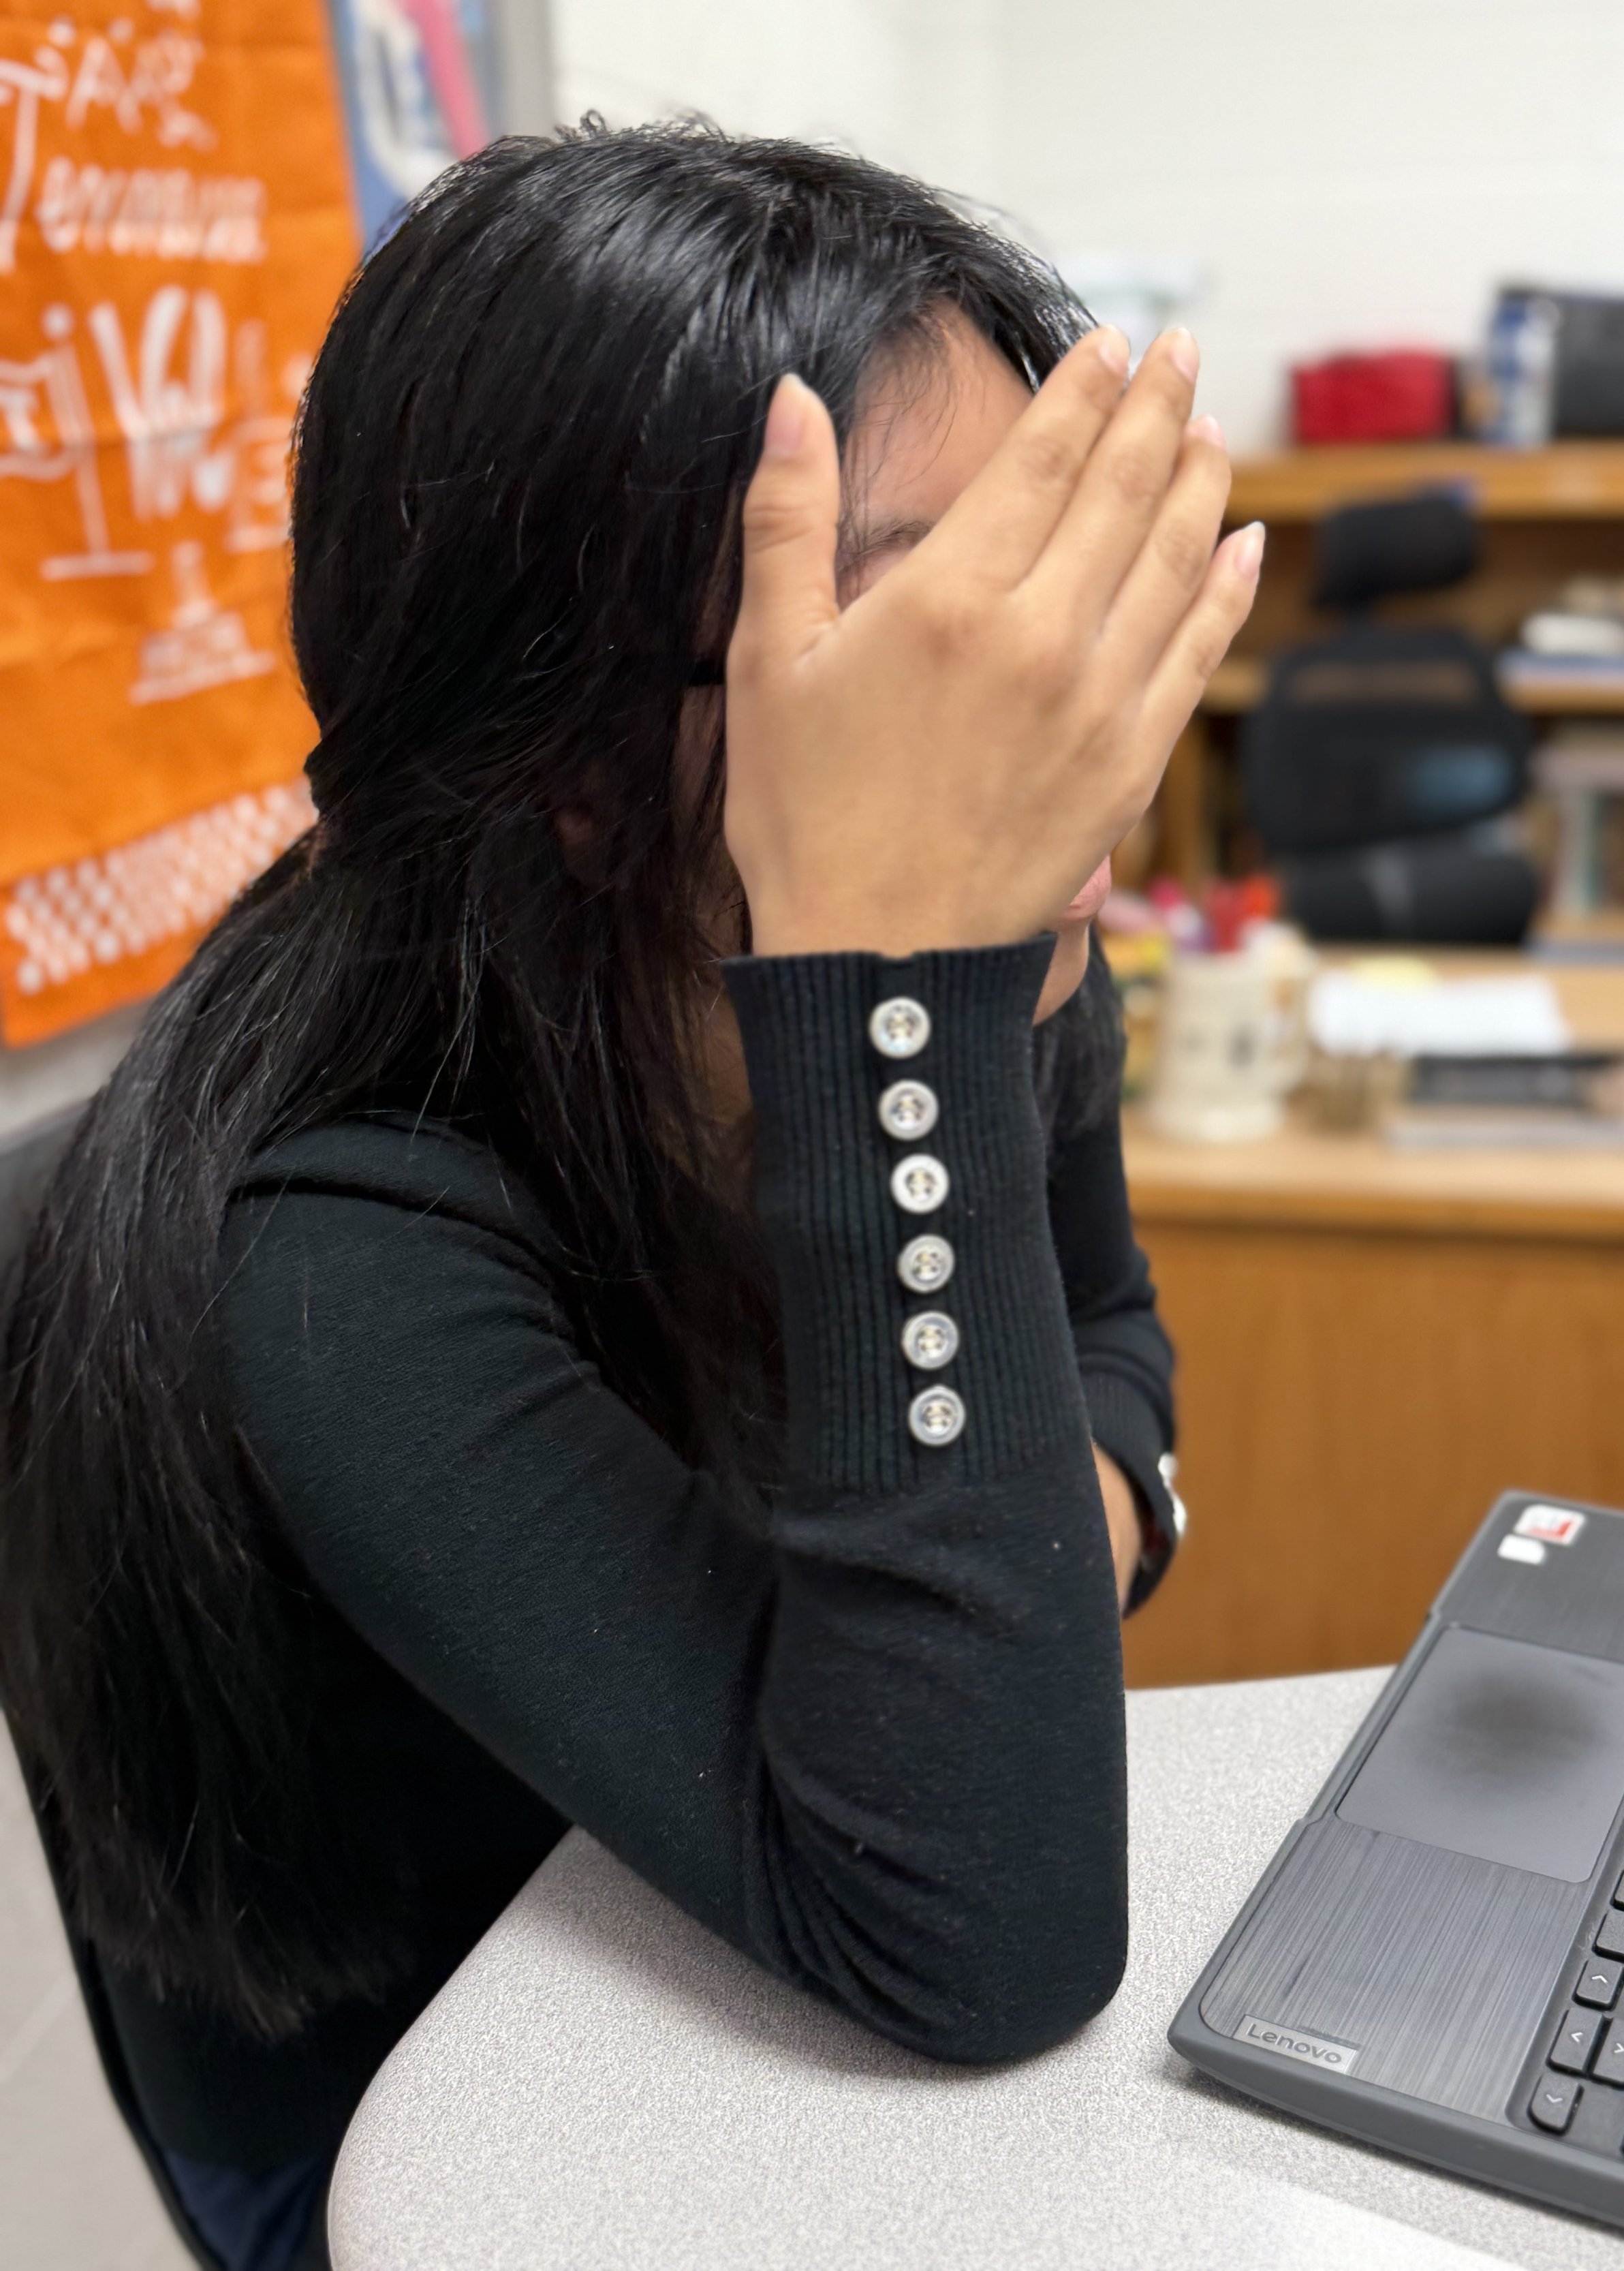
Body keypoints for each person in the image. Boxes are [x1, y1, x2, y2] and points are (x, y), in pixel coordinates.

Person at [0, 124, 1260, 2271]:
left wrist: (1091, 1504)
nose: (1041, 711)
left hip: (753, 2005)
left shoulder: (1003, 955)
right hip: (426, 2153)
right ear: (573, 760)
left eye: (1033, 589)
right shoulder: (331, 1249)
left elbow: (1112, 1346)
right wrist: (889, 1010)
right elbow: (974, 1941)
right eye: (911, 629)